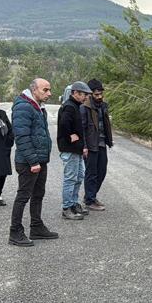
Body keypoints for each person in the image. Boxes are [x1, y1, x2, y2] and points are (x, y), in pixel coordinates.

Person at [9, 78, 59, 246]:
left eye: (49, 89)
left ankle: (36, 227)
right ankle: (15, 232)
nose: (49, 93)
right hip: (28, 162)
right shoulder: (23, 106)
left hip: (39, 160)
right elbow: (21, 137)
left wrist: (41, 159)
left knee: (38, 195)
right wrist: (33, 161)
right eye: (45, 90)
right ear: (34, 90)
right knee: (23, 196)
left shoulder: (38, 106)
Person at [57, 81, 91, 220]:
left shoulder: (76, 106)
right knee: (70, 178)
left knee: (79, 176)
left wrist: (83, 146)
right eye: (83, 94)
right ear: (75, 93)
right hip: (69, 149)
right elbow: (64, 124)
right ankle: (66, 208)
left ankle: (74, 203)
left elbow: (79, 129)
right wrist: (70, 136)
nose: (85, 97)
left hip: (76, 149)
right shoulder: (69, 107)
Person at [80, 79, 113, 211]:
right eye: (96, 94)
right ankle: (89, 200)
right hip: (91, 145)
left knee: (102, 171)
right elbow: (82, 128)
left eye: (101, 94)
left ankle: (90, 195)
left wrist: (109, 140)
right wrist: (84, 146)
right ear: (90, 94)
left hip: (101, 143)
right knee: (91, 173)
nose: (99, 97)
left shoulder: (103, 106)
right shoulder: (84, 108)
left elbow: (106, 125)